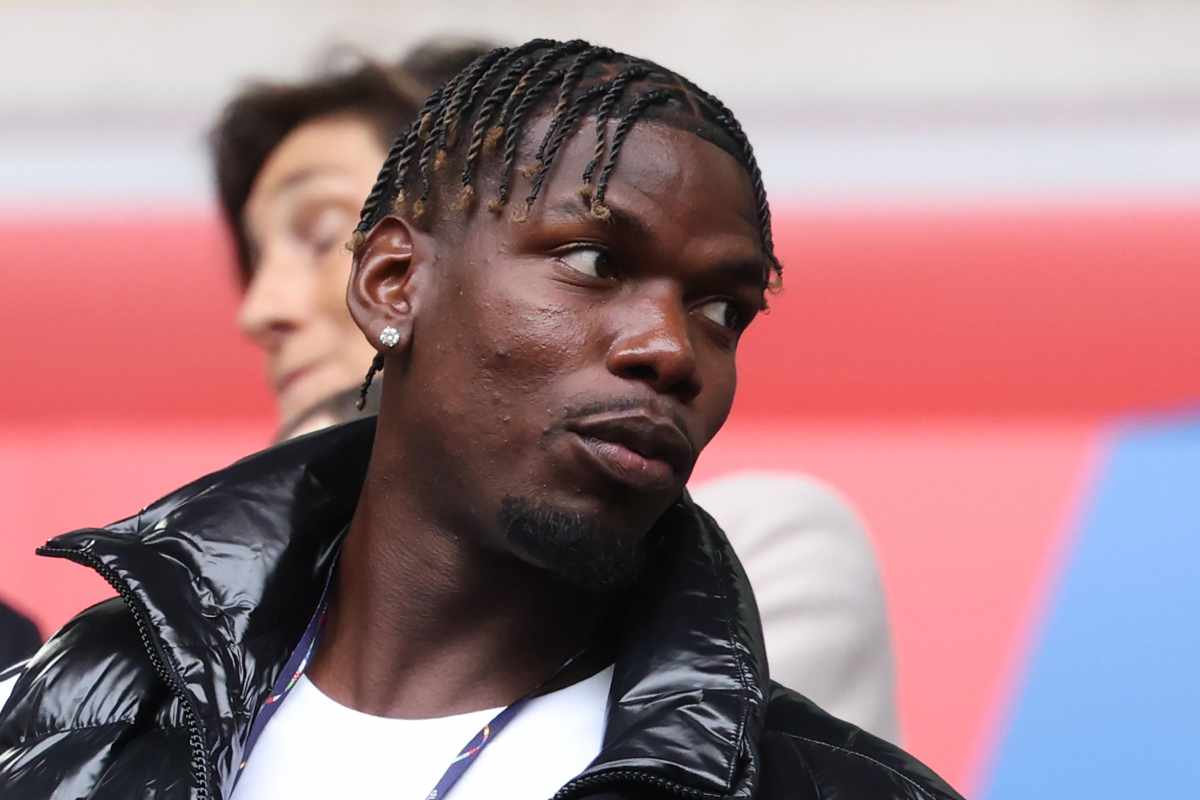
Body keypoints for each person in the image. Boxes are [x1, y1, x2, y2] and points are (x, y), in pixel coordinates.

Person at [0, 40, 959, 798]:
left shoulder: (814, 722)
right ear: (391, 282)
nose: (674, 349)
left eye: (724, 312)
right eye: (594, 265)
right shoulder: (55, 714)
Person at [215, 38, 901, 741]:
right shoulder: (162, 645)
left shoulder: (767, 546)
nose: (262, 309)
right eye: (258, 257)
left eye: (324, 232)